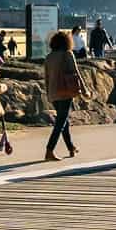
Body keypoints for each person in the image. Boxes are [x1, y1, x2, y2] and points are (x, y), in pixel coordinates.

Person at [43, 29, 83, 161]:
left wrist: (48, 94)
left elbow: (46, 78)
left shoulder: (49, 57)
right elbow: (76, 73)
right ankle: (49, 150)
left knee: (63, 120)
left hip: (53, 93)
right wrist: (84, 89)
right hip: (66, 92)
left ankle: (71, 148)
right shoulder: (68, 54)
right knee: (60, 122)